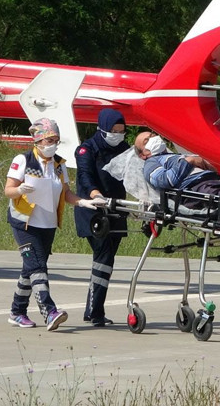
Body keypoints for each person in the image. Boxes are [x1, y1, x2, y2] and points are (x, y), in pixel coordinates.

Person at [3, 117, 103, 330]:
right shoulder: (24, 160)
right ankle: (50, 312)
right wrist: (19, 190)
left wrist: (84, 202)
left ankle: (17, 311)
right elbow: (8, 190)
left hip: (47, 224)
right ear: (37, 140)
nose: (52, 144)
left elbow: (66, 193)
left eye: (55, 139)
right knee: (38, 268)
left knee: (30, 269)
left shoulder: (59, 164)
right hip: (25, 224)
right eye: (48, 139)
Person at [74, 108, 130, 327]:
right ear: (103, 128)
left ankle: (92, 309)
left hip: (116, 209)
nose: (117, 134)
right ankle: (95, 312)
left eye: (121, 130)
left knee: (106, 259)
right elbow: (85, 176)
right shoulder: (87, 149)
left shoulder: (124, 149)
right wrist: (96, 194)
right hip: (93, 209)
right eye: (113, 130)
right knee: (103, 255)